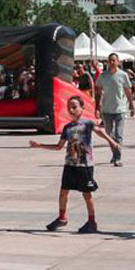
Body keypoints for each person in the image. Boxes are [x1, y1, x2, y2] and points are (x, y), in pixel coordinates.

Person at [32, 95, 119, 234]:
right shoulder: (67, 128)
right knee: (63, 192)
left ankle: (92, 221)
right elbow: (59, 146)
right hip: (70, 164)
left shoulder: (87, 124)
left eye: (74, 107)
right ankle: (62, 217)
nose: (71, 110)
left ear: (82, 108)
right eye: (69, 107)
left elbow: (100, 131)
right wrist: (40, 145)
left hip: (85, 165)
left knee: (87, 194)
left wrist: (111, 141)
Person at [95, 53, 133, 168]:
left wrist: (131, 104)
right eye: (110, 60)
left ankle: (117, 157)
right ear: (107, 62)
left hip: (120, 109)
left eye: (114, 60)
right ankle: (115, 153)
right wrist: (97, 105)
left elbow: (127, 91)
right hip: (107, 109)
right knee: (109, 135)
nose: (112, 62)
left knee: (119, 134)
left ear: (118, 62)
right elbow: (98, 92)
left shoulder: (123, 75)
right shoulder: (103, 76)